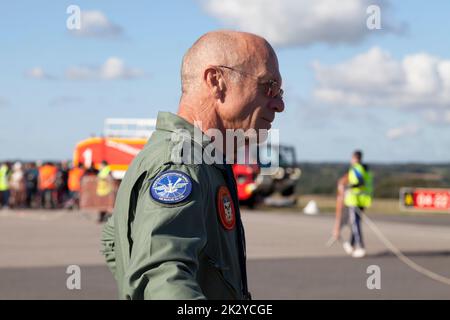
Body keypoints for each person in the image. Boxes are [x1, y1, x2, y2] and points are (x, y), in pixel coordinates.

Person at [101, 30, 284, 299]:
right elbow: (162, 277)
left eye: (280, 92)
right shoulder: (182, 163)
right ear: (216, 81)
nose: (279, 104)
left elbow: (113, 241)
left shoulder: (198, 159)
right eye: (269, 86)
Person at [332, 150, 373, 258]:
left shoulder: (356, 169)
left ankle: (360, 247)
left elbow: (360, 182)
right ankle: (352, 245)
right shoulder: (365, 169)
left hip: (355, 200)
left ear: (355, 158)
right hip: (362, 199)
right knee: (355, 223)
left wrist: (349, 187)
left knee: (355, 224)